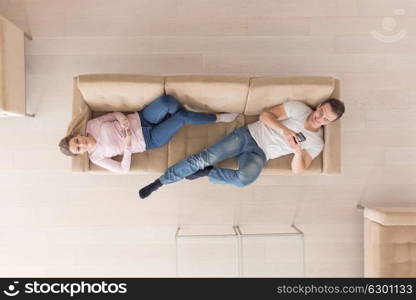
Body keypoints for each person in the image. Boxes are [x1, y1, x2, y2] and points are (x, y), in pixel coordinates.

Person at [139, 98, 345, 199]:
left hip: (261, 154)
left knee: (244, 179)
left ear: (330, 122)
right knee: (204, 157)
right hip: (247, 135)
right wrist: (285, 131)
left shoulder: (316, 142)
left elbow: (298, 169)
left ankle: (209, 173)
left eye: (326, 118)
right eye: (321, 111)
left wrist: (298, 151)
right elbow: (265, 116)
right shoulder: (298, 108)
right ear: (319, 106)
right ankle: (160, 182)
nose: (319, 117)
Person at [59, 95, 238, 173]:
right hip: (149, 139)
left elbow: (113, 114)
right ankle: (218, 118)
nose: (82, 143)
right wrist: (128, 145)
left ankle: (184, 115)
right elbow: (123, 169)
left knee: (167, 101)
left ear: (76, 134)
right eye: (79, 148)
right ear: (80, 154)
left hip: (141, 118)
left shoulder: (91, 125)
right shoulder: (96, 157)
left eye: (77, 140)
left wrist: (122, 120)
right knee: (183, 117)